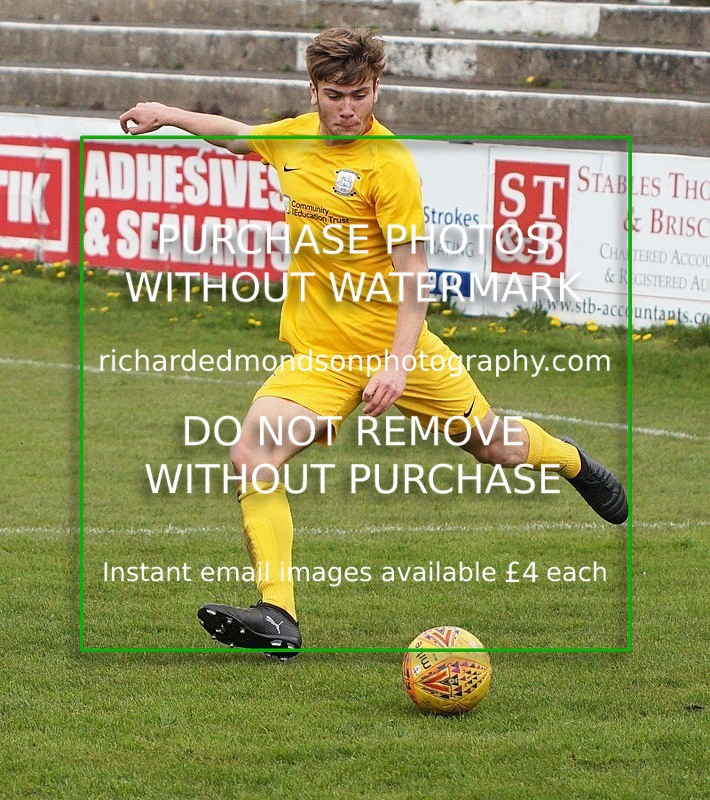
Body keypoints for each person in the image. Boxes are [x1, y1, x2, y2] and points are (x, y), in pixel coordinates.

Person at [119, 26, 627, 659]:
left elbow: (416, 278)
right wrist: (165, 114)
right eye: (335, 95)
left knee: (491, 445)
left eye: (359, 95)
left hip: (399, 350)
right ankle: (278, 615)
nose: (348, 109)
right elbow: (236, 135)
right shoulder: (294, 139)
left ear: (376, 88)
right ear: (314, 91)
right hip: (322, 359)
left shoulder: (389, 166)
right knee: (251, 454)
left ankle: (573, 461)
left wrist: (396, 364)